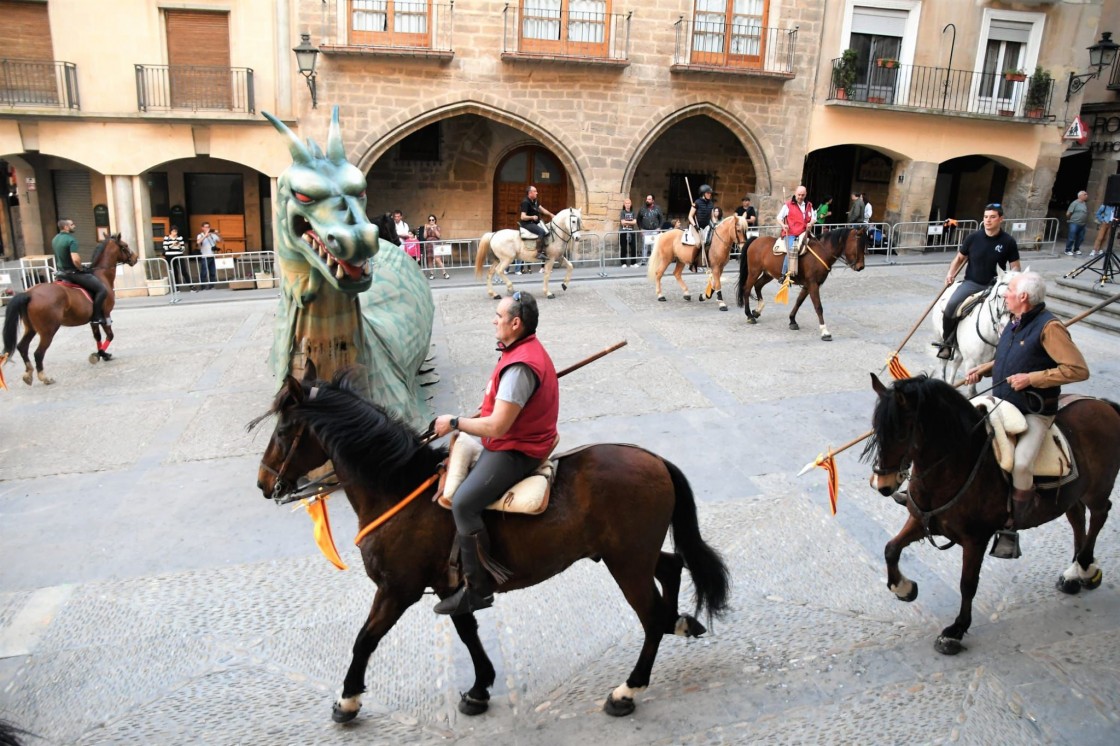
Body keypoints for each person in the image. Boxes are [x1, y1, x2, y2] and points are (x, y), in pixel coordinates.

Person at [432, 290, 559, 615]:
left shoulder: (520, 367)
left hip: (518, 448)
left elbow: (498, 428)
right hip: (516, 436)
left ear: (515, 323)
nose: (494, 320)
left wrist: (456, 422)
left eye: (499, 316)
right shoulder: (520, 349)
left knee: (463, 503)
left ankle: (478, 589)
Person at [964, 271, 1089, 556]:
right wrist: (984, 369)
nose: (1004, 295)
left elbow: (1078, 369)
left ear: (1023, 297)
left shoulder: (1050, 328)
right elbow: (1011, 355)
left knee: (1021, 464)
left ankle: (1011, 525)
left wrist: (1032, 379)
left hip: (1034, 410)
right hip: (1002, 401)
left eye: (1009, 290)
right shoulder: (1014, 320)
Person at [937, 204, 1022, 360]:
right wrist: (950, 273)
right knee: (950, 307)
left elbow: (1015, 266)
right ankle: (947, 343)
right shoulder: (973, 238)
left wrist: (1014, 280)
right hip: (972, 283)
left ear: (1001, 219)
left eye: (992, 217)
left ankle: (1013, 346)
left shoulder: (1008, 241)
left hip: (995, 286)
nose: (988, 220)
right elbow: (959, 258)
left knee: (1014, 312)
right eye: (985, 217)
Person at [51, 219, 110, 325]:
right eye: (72, 224)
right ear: (66, 227)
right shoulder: (71, 240)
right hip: (73, 273)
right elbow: (75, 259)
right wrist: (80, 268)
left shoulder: (55, 239)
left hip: (61, 273)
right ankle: (96, 317)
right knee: (101, 290)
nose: (75, 226)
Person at [776, 186, 815, 278]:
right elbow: (779, 218)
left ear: (805, 195)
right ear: (795, 194)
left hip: (805, 233)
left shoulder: (809, 205)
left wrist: (811, 223)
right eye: (799, 195)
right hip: (791, 233)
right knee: (791, 250)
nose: (800, 197)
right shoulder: (788, 205)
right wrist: (783, 225)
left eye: (803, 195)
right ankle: (784, 274)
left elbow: (814, 217)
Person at [520, 186, 554, 261]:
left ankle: (545, 249)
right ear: (530, 193)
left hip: (535, 222)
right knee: (541, 231)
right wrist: (532, 217)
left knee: (547, 231)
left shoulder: (535, 200)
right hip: (527, 224)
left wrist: (551, 214)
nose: (537, 193)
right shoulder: (525, 202)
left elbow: (542, 210)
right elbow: (523, 217)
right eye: (535, 191)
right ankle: (538, 253)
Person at [687, 184, 715, 268]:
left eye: (710, 193)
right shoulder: (697, 203)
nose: (710, 194)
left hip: (706, 227)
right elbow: (690, 216)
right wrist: (695, 225)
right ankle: (692, 262)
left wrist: (715, 224)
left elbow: (712, 217)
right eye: (708, 193)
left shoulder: (711, 204)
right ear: (703, 194)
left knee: (709, 242)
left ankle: (704, 261)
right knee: (699, 243)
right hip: (696, 226)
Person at [637, 194, 665, 266]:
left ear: (653, 200)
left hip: (654, 230)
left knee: (654, 246)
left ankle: (653, 261)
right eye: (647, 199)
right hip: (645, 230)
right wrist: (640, 229)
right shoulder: (642, 208)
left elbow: (661, 218)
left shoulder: (657, 208)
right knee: (644, 246)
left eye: (649, 199)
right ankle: (644, 260)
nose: (647, 200)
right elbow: (638, 219)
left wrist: (659, 227)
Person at [422, 214, 450, 279]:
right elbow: (425, 236)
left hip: (436, 244)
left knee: (438, 259)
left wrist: (434, 229)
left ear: (435, 220)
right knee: (430, 259)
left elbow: (438, 236)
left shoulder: (437, 227)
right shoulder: (426, 227)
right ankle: (432, 274)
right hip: (428, 244)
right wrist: (425, 229)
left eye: (432, 220)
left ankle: (444, 273)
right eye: (430, 220)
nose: (431, 221)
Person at [196, 221, 220, 290]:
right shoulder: (200, 235)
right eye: (206, 227)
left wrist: (217, 234)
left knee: (212, 272)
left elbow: (221, 241)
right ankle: (203, 287)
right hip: (205, 256)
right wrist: (205, 236)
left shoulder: (212, 235)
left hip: (212, 255)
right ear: (202, 228)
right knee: (204, 272)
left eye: (208, 227)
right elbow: (198, 242)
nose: (207, 228)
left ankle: (212, 286)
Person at [1065, 191, 1089, 256]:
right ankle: (1068, 250)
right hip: (1074, 223)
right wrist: (1072, 219)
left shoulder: (1084, 203)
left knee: (1080, 238)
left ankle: (1076, 249)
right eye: (1085, 194)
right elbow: (1068, 213)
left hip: (1082, 224)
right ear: (1080, 196)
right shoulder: (1074, 203)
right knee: (1071, 237)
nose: (1086, 195)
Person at [619, 197, 638, 267]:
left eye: (629, 203)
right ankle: (623, 263)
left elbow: (635, 222)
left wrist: (627, 222)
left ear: (631, 204)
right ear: (624, 204)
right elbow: (622, 222)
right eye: (626, 203)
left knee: (633, 247)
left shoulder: (633, 212)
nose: (627, 204)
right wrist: (630, 222)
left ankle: (633, 263)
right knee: (623, 247)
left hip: (631, 232)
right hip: (623, 232)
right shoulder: (622, 212)